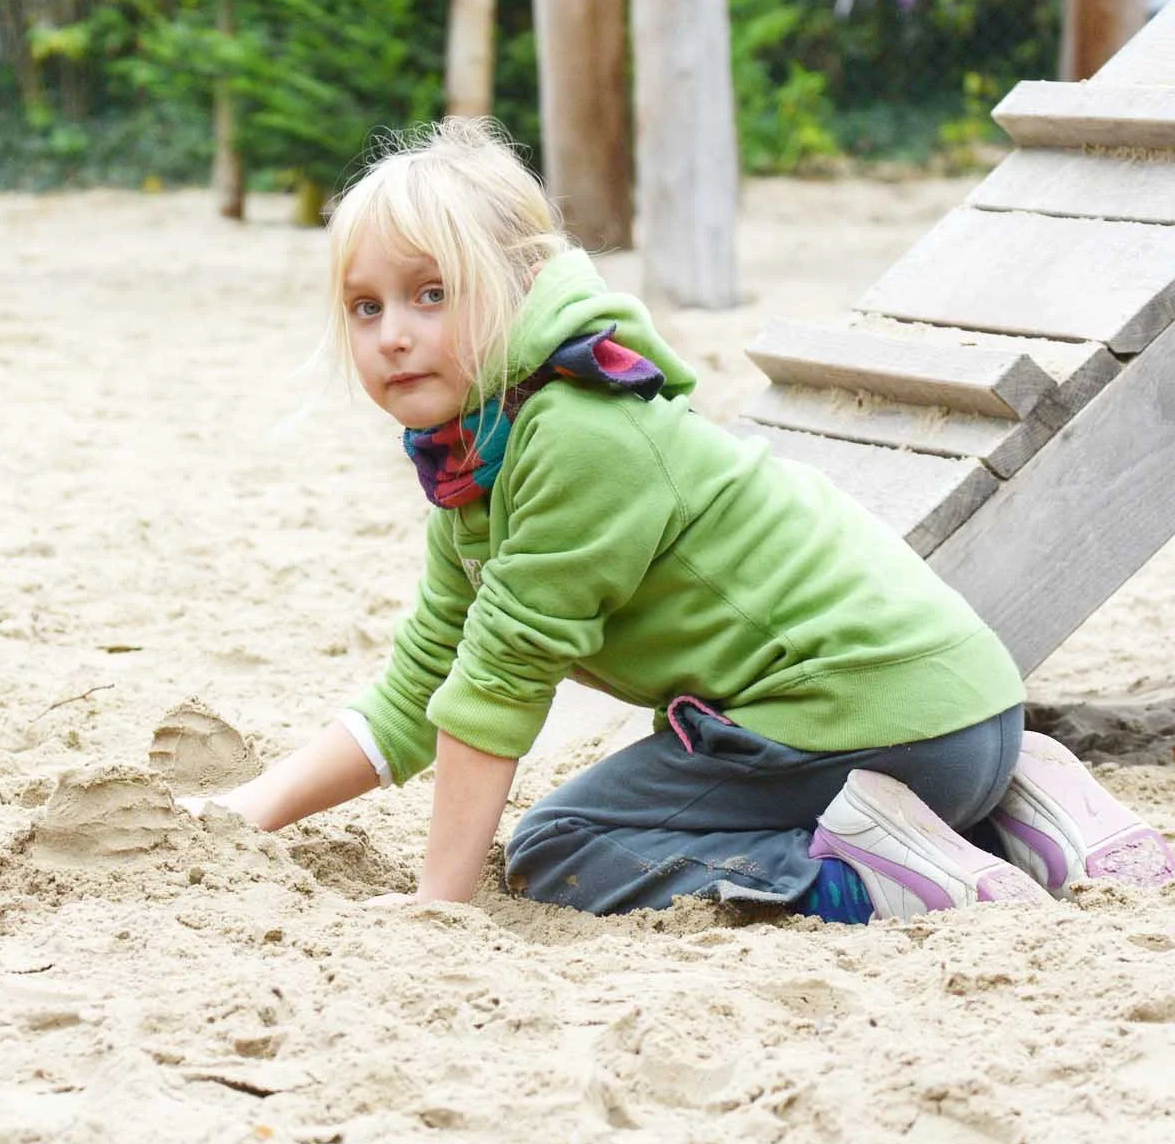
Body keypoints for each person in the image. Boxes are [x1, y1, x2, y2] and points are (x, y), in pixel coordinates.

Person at [192, 118, 1174, 922]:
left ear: (516, 287)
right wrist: (252, 810)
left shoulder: (577, 434)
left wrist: (437, 908)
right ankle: (1034, 803)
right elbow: (424, 685)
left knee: (562, 849)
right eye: (365, 308)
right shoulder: (483, 460)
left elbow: (496, 685)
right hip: (960, 709)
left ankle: (881, 879)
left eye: (432, 294)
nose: (394, 332)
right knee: (622, 806)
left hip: (881, 720)